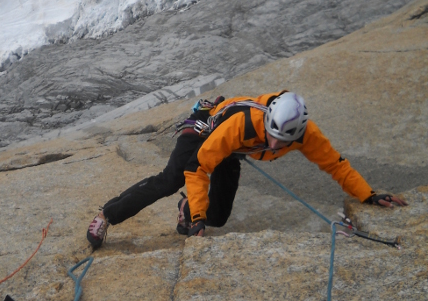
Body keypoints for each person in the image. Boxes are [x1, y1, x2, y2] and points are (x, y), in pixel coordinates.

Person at [86, 90, 407, 248]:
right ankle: (107, 215)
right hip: (207, 130)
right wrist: (198, 220)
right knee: (171, 179)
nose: (272, 143)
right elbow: (198, 168)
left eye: (281, 141)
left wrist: (368, 195)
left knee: (219, 217)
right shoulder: (242, 126)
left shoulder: (307, 136)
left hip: (232, 151)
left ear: (296, 135)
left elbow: (336, 166)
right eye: (271, 134)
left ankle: (187, 206)